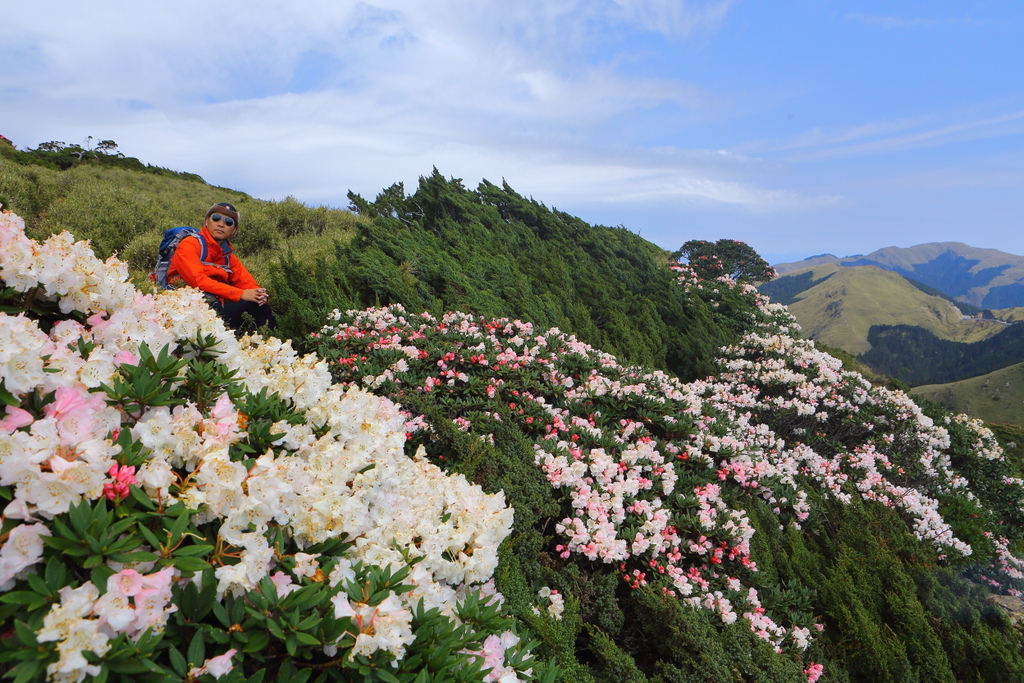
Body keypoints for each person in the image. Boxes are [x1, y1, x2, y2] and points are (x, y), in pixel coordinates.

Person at [167, 202, 276, 330]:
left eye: (229, 222)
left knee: (259, 305)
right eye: (216, 218)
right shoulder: (190, 244)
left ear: (234, 230)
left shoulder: (228, 257)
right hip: (183, 307)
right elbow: (198, 281)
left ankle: (273, 345)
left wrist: (259, 295)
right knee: (209, 300)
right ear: (207, 221)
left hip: (216, 309)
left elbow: (247, 283)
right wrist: (240, 294)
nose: (221, 224)